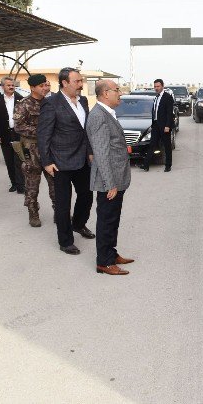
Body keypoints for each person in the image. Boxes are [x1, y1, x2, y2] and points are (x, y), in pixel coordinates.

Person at [38, 67, 95, 255]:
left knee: (86, 196)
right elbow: (43, 135)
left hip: (82, 159)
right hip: (60, 161)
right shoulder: (51, 103)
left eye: (81, 81)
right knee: (63, 204)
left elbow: (84, 130)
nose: (80, 84)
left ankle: (78, 224)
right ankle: (65, 241)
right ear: (65, 83)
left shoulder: (84, 101)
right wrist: (46, 161)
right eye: (77, 81)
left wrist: (90, 152)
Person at [86, 80, 134, 275]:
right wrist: (110, 184)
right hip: (109, 181)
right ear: (106, 93)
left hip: (117, 178)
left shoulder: (107, 113)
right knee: (106, 220)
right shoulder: (98, 116)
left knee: (113, 219)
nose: (120, 93)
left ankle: (111, 253)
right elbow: (101, 153)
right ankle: (104, 262)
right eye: (117, 90)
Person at [13, 74, 56, 227]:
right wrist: (42, 131)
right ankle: (33, 213)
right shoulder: (23, 104)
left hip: (50, 150)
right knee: (32, 185)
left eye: (47, 85)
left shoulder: (51, 103)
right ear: (32, 88)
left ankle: (59, 212)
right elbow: (19, 126)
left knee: (56, 183)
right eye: (42, 86)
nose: (46, 88)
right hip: (31, 150)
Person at [0, 76, 25, 193]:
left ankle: (21, 185)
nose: (11, 87)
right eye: (9, 85)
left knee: (19, 160)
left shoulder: (21, 99)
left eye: (13, 85)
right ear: (3, 87)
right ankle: (14, 183)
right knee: (9, 161)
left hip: (18, 134)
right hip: (4, 135)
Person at [141, 78, 174, 172]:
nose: (156, 88)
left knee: (167, 146)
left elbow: (169, 113)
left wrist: (168, 126)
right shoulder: (156, 97)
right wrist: (153, 124)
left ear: (162, 86)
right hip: (155, 125)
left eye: (158, 86)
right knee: (152, 145)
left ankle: (168, 165)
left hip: (164, 126)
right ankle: (145, 165)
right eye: (155, 86)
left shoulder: (167, 97)